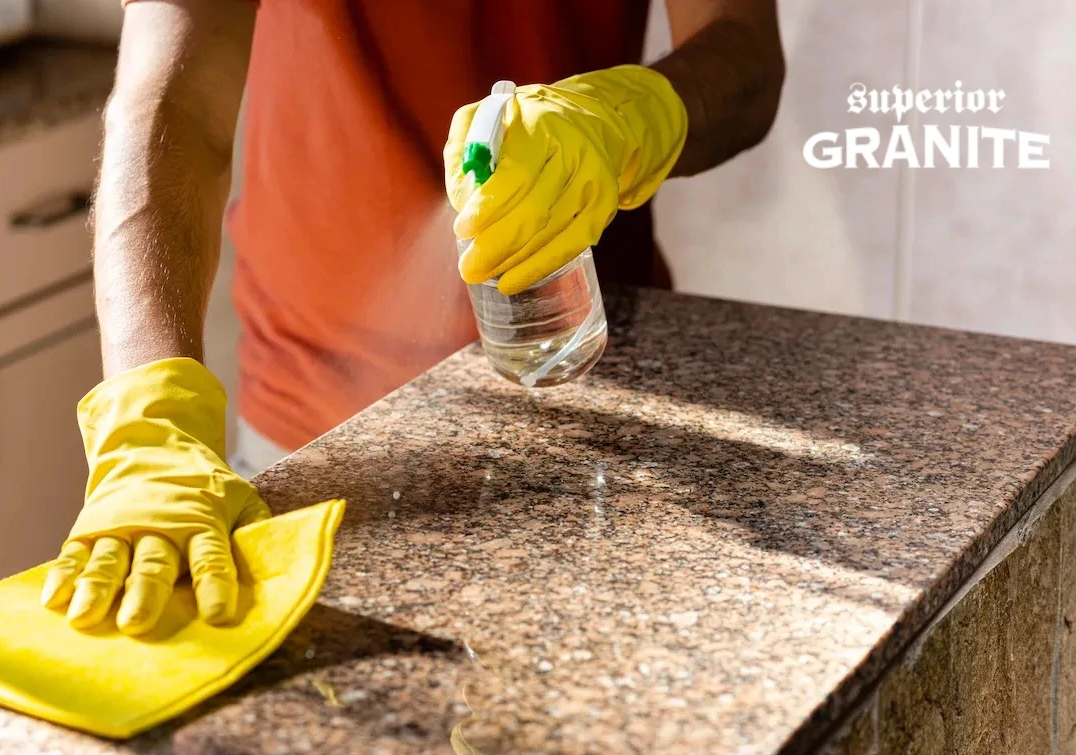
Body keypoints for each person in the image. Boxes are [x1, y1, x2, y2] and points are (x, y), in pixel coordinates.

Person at [39, 0, 785, 635]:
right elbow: (172, 102)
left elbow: (744, 51)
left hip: (604, 398)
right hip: (321, 435)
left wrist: (621, 121)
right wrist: (150, 418)